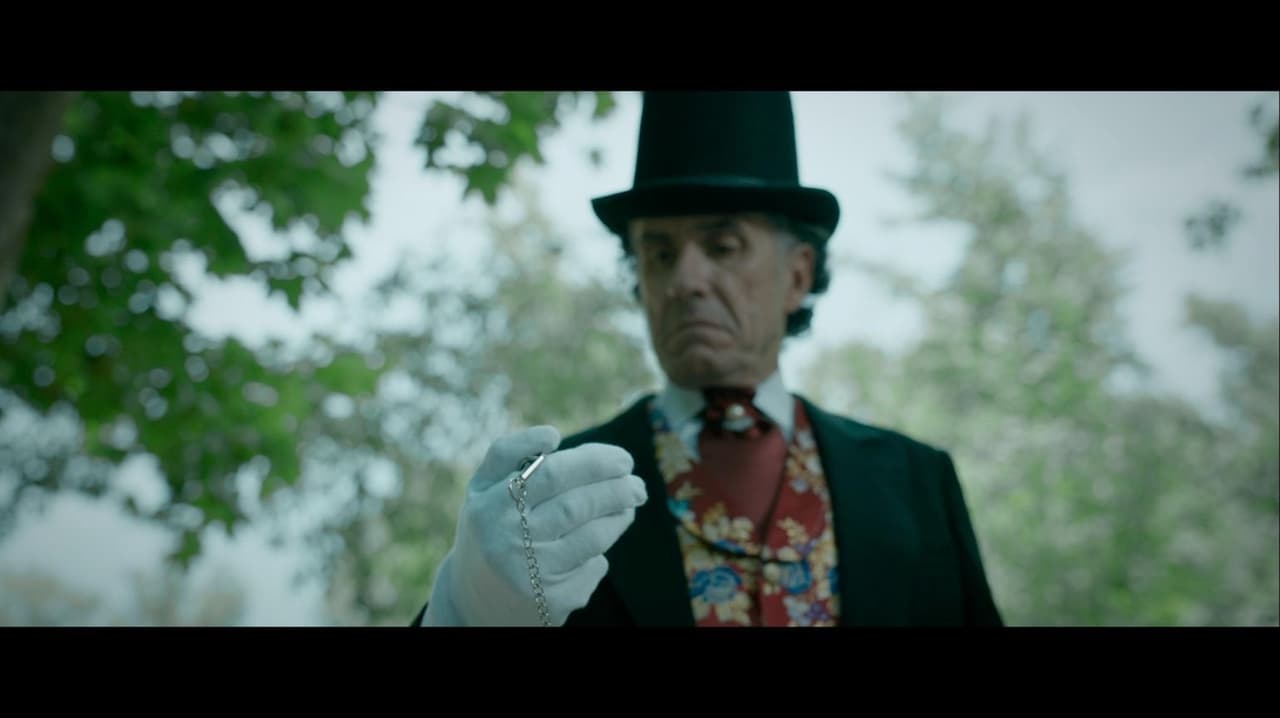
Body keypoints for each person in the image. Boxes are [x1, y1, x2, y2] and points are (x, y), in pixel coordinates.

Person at [415, 91, 1003, 627]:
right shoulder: (556, 497)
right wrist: (466, 607)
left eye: (723, 246)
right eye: (660, 253)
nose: (686, 280)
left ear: (797, 275)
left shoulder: (916, 482)